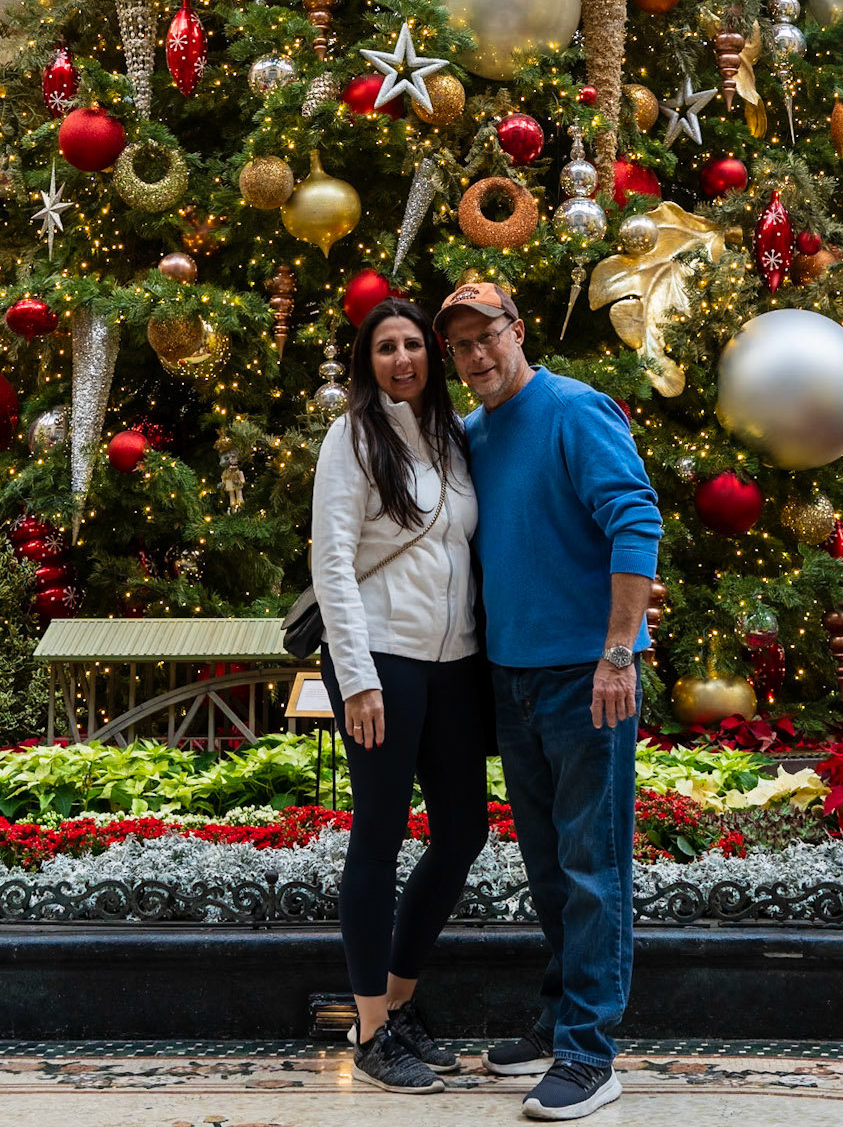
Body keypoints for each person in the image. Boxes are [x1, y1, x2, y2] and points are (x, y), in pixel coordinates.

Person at [434, 280, 663, 1123]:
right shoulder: (472, 434)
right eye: (460, 346)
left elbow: (635, 519)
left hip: (586, 677)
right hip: (512, 678)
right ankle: (560, 1016)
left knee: (592, 865)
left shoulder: (573, 410)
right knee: (549, 863)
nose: (475, 356)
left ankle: (589, 1053)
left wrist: (617, 653)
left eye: (486, 336)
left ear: (517, 331)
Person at [312, 296, 488, 1094]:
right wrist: (356, 678)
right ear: (367, 362)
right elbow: (332, 562)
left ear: (431, 354)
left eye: (412, 344)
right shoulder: (351, 437)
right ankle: (370, 1028)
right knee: (379, 835)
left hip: (455, 662)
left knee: (462, 833)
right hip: (381, 657)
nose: (401, 359)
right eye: (384, 347)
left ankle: (400, 1002)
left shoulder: (454, 438)